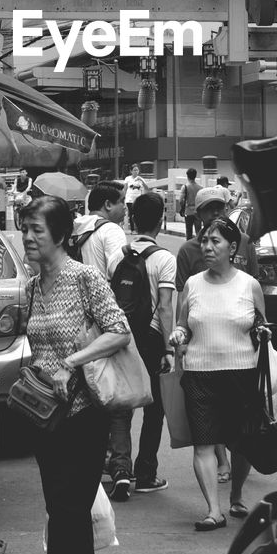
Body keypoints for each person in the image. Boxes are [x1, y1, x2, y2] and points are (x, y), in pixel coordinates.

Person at [19, 195, 131, 554]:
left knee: (68, 506)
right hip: (46, 415)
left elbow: (119, 331)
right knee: (61, 505)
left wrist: (74, 361)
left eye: (37, 230)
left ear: (61, 236)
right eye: (25, 228)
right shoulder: (31, 287)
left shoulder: (85, 278)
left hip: (86, 413)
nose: (28, 237)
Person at [170, 217, 266, 531]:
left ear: (233, 247)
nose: (208, 247)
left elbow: (262, 325)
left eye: (216, 241)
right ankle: (214, 509)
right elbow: (183, 325)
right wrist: (179, 337)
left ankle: (236, 494)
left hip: (242, 373)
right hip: (199, 374)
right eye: (205, 241)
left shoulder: (249, 284)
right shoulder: (192, 285)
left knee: (242, 443)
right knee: (204, 444)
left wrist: (264, 331)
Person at [108, 192, 176, 500]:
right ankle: (145, 473)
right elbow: (164, 307)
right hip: (150, 340)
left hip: (121, 336)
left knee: (122, 405)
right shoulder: (164, 258)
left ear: (133, 220)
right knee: (154, 408)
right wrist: (170, 349)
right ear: (161, 220)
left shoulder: (117, 256)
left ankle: (120, 471)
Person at [176, 186, 259, 291]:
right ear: (197, 215)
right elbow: (182, 297)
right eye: (209, 208)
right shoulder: (187, 251)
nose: (215, 213)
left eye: (219, 207)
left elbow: (254, 288)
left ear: (226, 209)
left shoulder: (245, 242)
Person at [71, 181, 127, 278]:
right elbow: (119, 273)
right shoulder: (111, 230)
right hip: (102, 291)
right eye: (122, 201)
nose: (125, 207)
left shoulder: (75, 226)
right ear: (108, 205)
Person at [122, 164, 148, 232]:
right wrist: (123, 198)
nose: (136, 171)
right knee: (131, 214)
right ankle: (132, 229)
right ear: (131, 171)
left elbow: (147, 188)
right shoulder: (128, 178)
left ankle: (138, 229)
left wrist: (141, 180)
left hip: (138, 199)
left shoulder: (140, 179)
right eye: (134, 170)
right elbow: (125, 189)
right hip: (129, 199)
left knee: (138, 214)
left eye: (137, 170)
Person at [178, 168, 200, 240]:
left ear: (187, 176)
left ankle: (189, 247)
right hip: (197, 211)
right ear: (195, 176)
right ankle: (198, 246)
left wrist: (182, 207)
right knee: (198, 232)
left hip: (188, 211)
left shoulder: (185, 187)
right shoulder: (200, 187)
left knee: (189, 232)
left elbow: (181, 200)